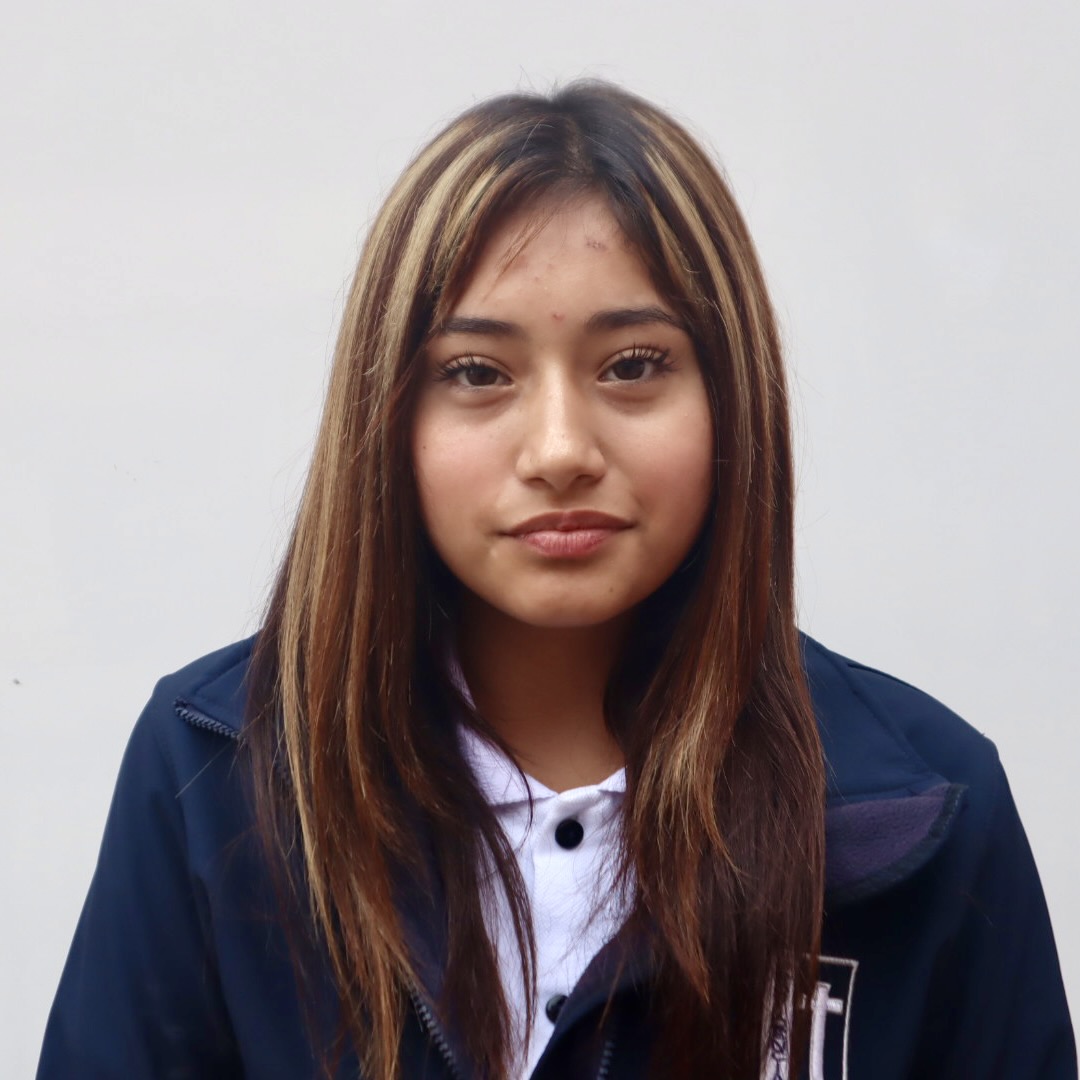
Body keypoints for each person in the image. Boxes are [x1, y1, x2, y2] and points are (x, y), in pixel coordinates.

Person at [38, 82, 1075, 1080]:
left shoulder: (924, 807)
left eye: (633, 365)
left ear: (732, 396)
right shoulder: (219, 772)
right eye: (477, 373)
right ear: (387, 419)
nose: (562, 450)